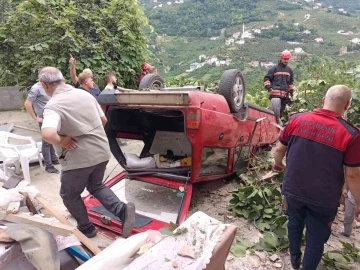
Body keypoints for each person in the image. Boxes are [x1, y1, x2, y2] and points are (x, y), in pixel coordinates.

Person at [40, 67, 135, 238]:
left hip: (78, 158)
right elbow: (103, 120)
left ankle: (86, 229)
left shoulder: (53, 106)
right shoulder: (85, 95)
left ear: (44, 84)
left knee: (69, 194)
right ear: (62, 79)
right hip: (101, 151)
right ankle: (122, 211)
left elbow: (47, 134)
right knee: (95, 185)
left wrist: (62, 140)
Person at [273, 85, 360, 270]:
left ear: (323, 100)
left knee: (294, 224)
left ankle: (295, 258)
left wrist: (278, 164)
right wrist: (359, 202)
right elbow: (353, 174)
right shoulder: (351, 134)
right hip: (324, 198)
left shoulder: (297, 119)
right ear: (347, 106)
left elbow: (280, 149)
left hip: (294, 190)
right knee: (315, 239)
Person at [24, 82, 59, 174]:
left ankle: (54, 159)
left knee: (50, 139)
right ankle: (49, 166)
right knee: (46, 142)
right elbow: (27, 103)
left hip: (51, 116)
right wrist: (36, 118)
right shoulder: (36, 88)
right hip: (44, 118)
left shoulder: (49, 86)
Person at [264, 50, 295, 120]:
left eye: (287, 59)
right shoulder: (274, 69)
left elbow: (290, 83)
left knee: (279, 114)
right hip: (275, 95)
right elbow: (267, 78)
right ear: (281, 58)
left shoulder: (289, 70)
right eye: (285, 59)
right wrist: (268, 87)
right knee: (273, 113)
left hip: (284, 97)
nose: (286, 61)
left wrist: (291, 93)